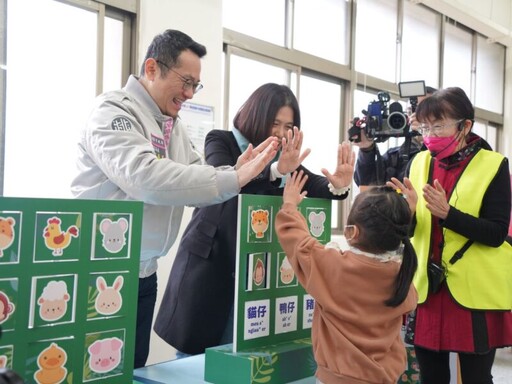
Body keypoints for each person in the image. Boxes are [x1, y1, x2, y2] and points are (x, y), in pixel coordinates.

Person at [70, 30, 279, 368]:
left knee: (133, 367)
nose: (189, 93)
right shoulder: (112, 111)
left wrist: (245, 172)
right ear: (152, 68)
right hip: (102, 272)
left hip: (143, 274)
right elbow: (145, 177)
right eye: (186, 81)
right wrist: (232, 177)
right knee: (94, 369)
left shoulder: (170, 124)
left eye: (196, 85)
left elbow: (197, 173)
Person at [153, 83, 355, 355]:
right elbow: (227, 180)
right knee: (195, 358)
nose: (281, 132)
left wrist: (339, 185)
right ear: (257, 114)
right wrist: (275, 169)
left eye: (288, 126)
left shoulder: (284, 156)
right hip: (212, 264)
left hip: (255, 272)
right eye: (275, 123)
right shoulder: (220, 140)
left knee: (241, 355)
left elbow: (313, 182)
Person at [387, 87, 512, 384]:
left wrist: (449, 215)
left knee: (477, 379)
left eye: (439, 126)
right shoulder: (418, 163)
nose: (430, 134)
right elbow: (409, 232)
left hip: (474, 293)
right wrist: (408, 213)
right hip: (428, 289)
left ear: (465, 125)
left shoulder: (493, 165)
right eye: (425, 126)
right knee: (430, 378)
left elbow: (496, 233)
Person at [275, 170, 418, 383]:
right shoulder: (401, 275)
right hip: (384, 377)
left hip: (336, 378)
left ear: (352, 232)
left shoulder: (333, 266)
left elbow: (297, 240)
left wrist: (289, 205)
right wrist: (410, 212)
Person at [353, 86, 437, 186]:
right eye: (412, 110)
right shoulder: (395, 156)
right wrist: (366, 149)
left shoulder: (448, 152)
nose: (416, 115)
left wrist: (427, 132)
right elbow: (367, 183)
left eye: (425, 110)